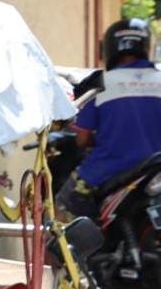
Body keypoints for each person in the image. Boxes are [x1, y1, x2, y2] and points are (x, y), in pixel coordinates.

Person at [57, 18, 161, 219]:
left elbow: (82, 139)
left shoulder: (102, 83)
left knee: (63, 208)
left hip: (108, 170)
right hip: (155, 173)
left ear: (110, 48)